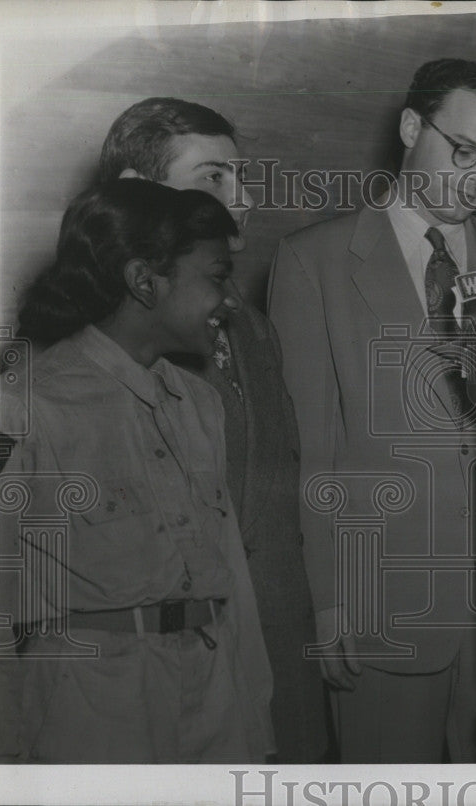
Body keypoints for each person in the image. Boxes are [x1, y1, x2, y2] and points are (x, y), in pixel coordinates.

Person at [267, 58, 476, 762]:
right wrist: (329, 600)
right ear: (411, 127)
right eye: (462, 151)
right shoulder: (313, 261)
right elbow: (309, 452)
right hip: (385, 602)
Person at [0, 179, 273, 762]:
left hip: (212, 698)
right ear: (144, 281)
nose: (229, 299)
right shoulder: (31, 404)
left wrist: (256, 724)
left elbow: (232, 582)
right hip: (91, 704)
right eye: (217, 276)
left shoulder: (201, 403)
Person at [97, 98, 327, 762]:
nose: (243, 198)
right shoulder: (91, 345)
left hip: (284, 661)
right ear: (137, 197)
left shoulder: (251, 325)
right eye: (214, 177)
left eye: (241, 178)